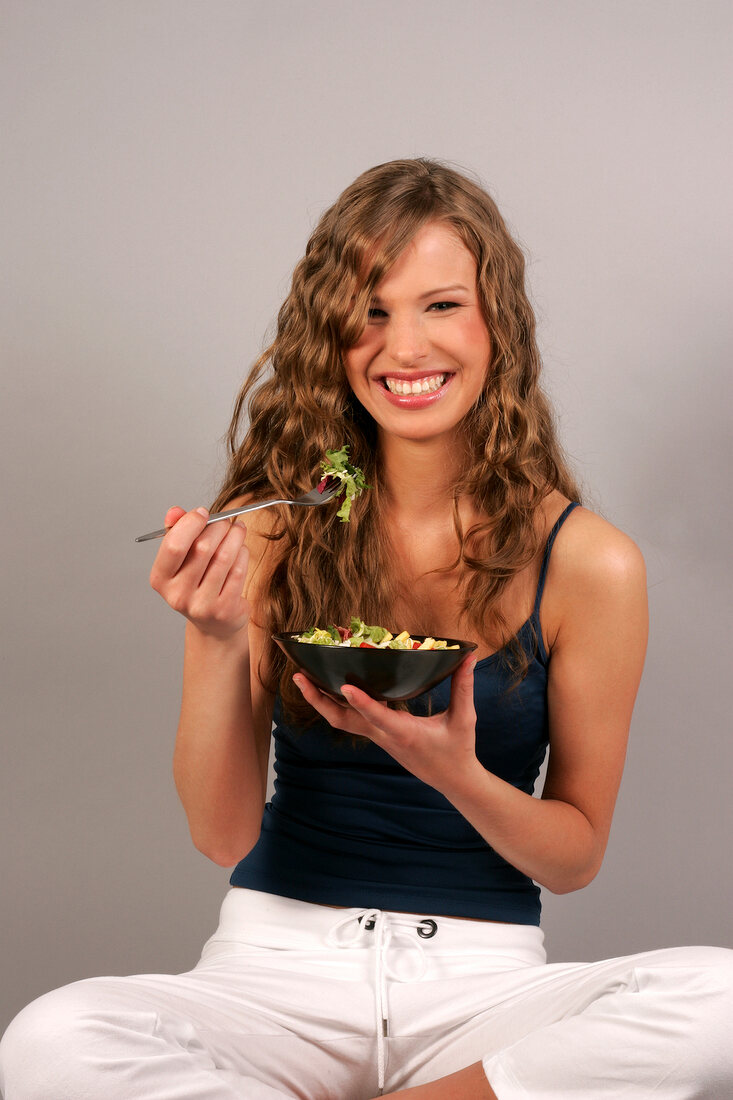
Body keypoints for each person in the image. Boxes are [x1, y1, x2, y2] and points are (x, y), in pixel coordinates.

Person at [1, 158, 732, 1100]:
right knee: (51, 1042)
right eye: (371, 310)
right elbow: (222, 836)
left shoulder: (589, 562)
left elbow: (575, 855)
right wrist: (215, 635)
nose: (404, 347)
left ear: (495, 322)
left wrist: (453, 771)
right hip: (274, 971)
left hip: (481, 991)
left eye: (440, 306)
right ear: (331, 334)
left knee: (723, 1000)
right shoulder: (270, 524)